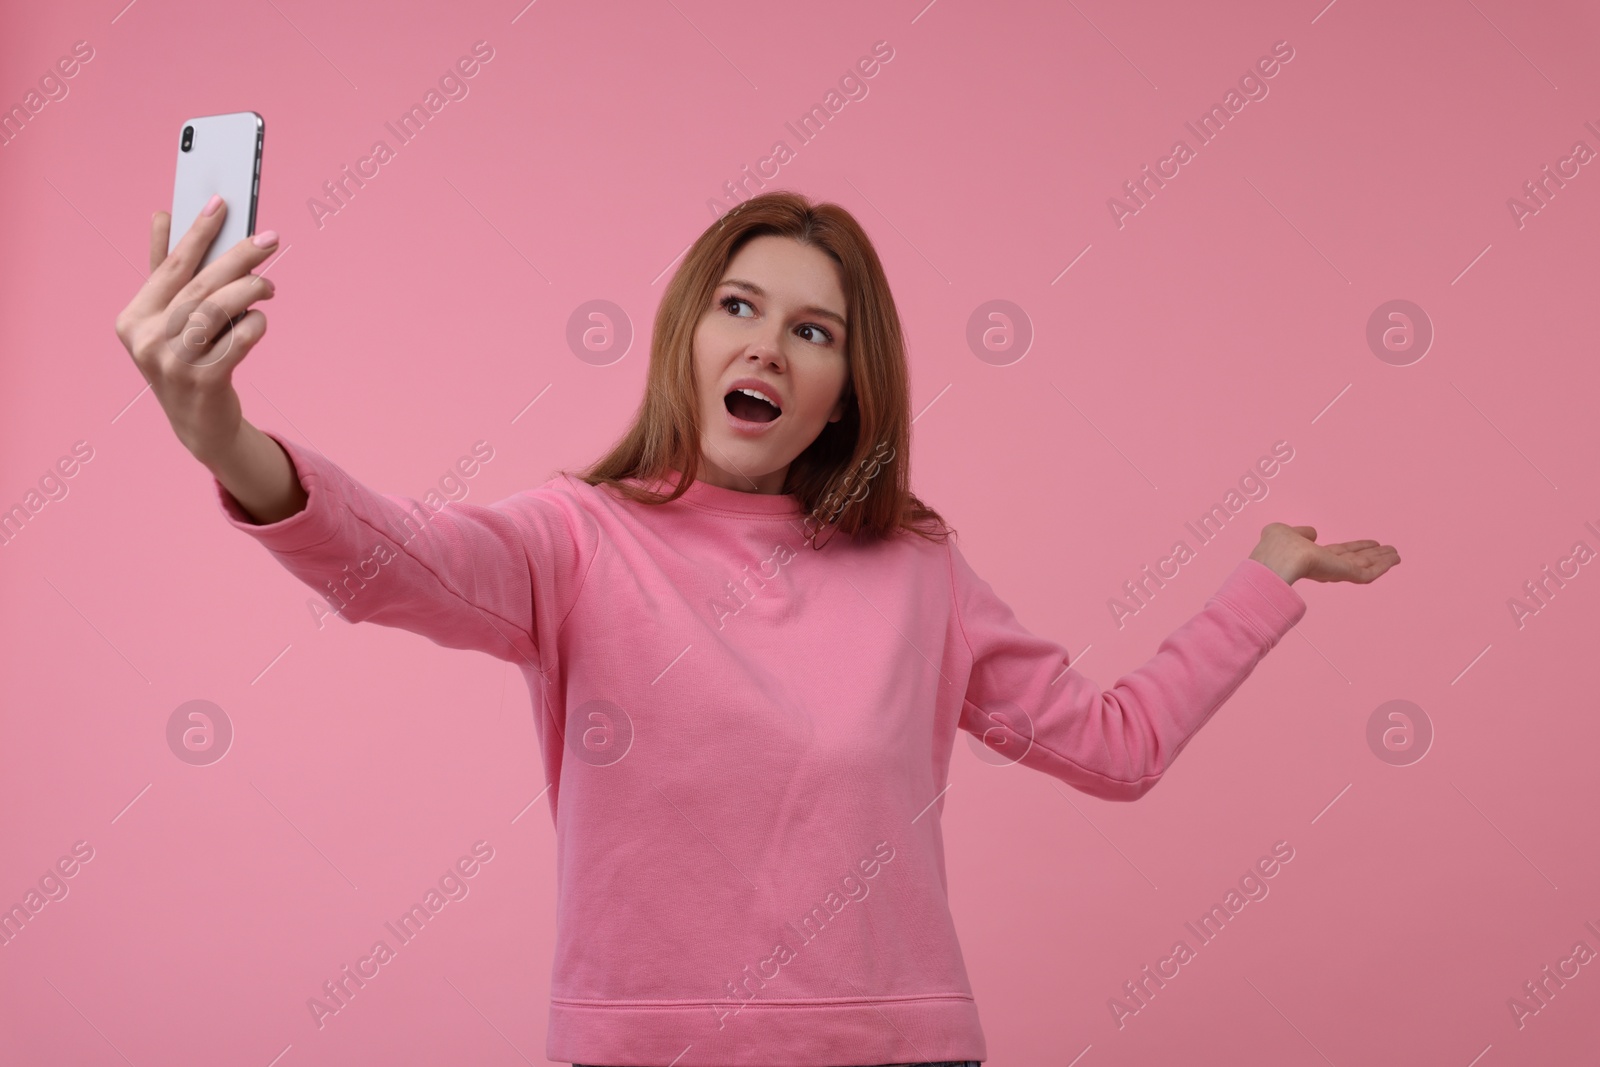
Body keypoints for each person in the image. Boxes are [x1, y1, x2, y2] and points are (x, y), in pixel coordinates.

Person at [114, 189, 1399, 1067]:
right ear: (687, 332)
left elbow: (1115, 746)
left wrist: (1266, 575)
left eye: (812, 330)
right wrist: (225, 435)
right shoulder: (576, 539)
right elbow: (395, 554)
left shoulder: (917, 573)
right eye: (738, 306)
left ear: (847, 390)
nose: (767, 347)